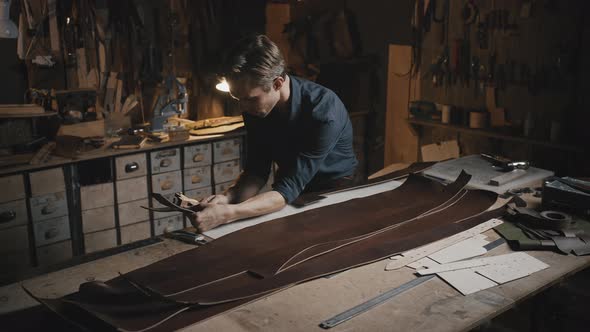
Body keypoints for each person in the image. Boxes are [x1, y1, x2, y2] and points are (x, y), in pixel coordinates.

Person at [190, 34, 358, 232]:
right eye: (238, 99)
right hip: (287, 185)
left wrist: (228, 214)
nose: (242, 107)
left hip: (333, 188)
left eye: (250, 99)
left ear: (277, 83)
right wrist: (228, 198)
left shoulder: (323, 111)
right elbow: (256, 170)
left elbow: (287, 190)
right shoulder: (256, 106)